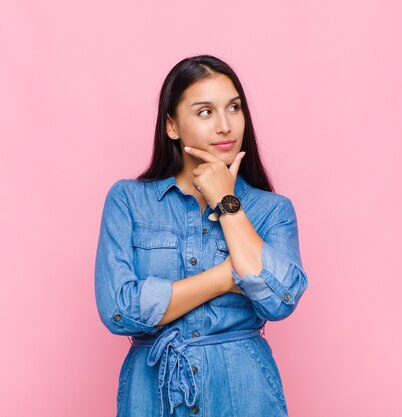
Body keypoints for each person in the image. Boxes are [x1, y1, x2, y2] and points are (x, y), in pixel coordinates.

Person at [94, 54, 309, 417]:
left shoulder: (272, 210)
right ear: (172, 126)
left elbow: (278, 301)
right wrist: (226, 276)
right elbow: (118, 310)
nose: (225, 125)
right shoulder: (128, 200)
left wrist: (228, 203)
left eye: (234, 108)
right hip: (153, 394)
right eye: (205, 112)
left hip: (244, 392)